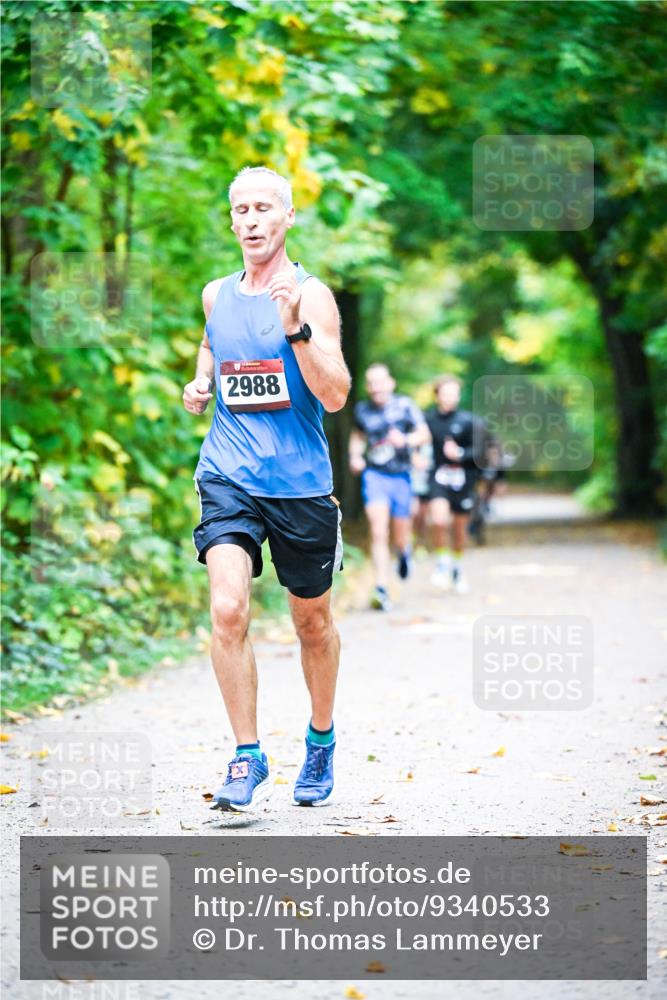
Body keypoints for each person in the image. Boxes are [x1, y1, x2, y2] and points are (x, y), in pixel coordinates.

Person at [182, 166, 350, 811]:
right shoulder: (214, 293)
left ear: (286, 218)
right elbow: (213, 345)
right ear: (232, 220)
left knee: (312, 623)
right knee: (228, 609)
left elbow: (334, 396)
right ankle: (247, 757)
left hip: (300, 483)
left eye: (262, 208)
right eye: (240, 210)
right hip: (228, 472)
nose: (250, 220)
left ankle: (321, 739)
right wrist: (201, 384)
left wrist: (294, 328)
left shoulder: (313, 297)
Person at [349, 364, 430, 611]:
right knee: (378, 530)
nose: (376, 388)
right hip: (375, 476)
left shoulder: (404, 405)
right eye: (371, 383)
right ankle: (381, 586)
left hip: (401, 476)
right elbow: (358, 435)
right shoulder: (362, 409)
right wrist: (355, 456)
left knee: (400, 533)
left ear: (390, 383)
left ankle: (404, 552)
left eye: (380, 382)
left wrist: (405, 440)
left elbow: (424, 434)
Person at [426, 374, 485, 593]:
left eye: (454, 393)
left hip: (464, 480)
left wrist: (459, 454)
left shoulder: (470, 421)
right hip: (438, 477)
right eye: (445, 393)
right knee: (439, 520)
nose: (450, 398)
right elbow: (419, 443)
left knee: (460, 528)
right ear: (437, 396)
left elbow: (480, 451)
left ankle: (457, 567)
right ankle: (442, 562)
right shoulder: (428, 420)